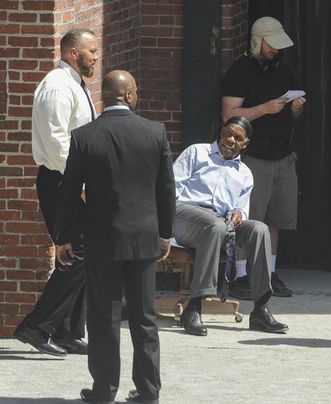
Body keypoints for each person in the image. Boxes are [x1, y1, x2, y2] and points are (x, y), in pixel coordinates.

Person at [54, 70, 175, 404]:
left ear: (102, 98)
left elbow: (68, 191)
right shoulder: (155, 132)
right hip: (143, 239)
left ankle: (104, 390)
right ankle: (149, 391)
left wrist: (63, 236)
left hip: (102, 240)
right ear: (131, 96)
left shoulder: (84, 137)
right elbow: (166, 188)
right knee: (144, 318)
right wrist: (166, 232)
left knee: (103, 318)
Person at [13, 28, 98, 357]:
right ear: (73, 53)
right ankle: (36, 327)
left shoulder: (74, 84)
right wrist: (83, 185)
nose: (95, 56)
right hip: (61, 183)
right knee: (76, 254)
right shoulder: (56, 87)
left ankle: (68, 331)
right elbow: (57, 144)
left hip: (71, 181)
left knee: (82, 254)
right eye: (91, 51)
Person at [173, 116, 288, 337]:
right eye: (227, 133)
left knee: (259, 230)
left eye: (237, 137)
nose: (230, 140)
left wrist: (238, 213)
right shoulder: (197, 152)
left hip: (220, 222)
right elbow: (172, 190)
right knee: (214, 225)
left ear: (245, 143)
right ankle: (194, 307)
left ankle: (261, 309)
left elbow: (241, 209)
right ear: (221, 132)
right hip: (184, 214)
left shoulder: (244, 172)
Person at [221, 16, 306, 299]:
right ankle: (242, 275)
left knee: (276, 219)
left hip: (283, 153)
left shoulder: (283, 70)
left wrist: (295, 109)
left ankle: (269, 273)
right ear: (258, 40)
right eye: (272, 45)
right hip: (254, 155)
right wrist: (265, 109)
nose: (276, 51)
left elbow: (293, 115)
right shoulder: (239, 71)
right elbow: (229, 114)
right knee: (249, 218)